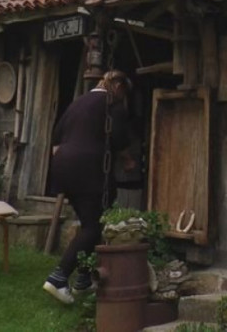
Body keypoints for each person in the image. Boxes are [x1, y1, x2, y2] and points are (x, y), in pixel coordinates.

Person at [42, 70, 134, 304]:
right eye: (124, 92)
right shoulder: (113, 105)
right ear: (119, 87)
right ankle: (59, 278)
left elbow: (56, 137)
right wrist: (128, 160)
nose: (124, 97)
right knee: (94, 225)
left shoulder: (78, 103)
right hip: (88, 168)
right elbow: (119, 138)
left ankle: (83, 279)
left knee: (88, 221)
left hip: (63, 165)